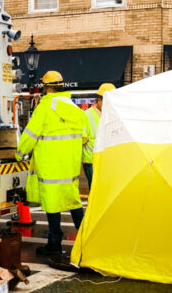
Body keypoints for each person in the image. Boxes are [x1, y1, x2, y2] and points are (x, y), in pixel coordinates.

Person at [15, 70, 87, 256]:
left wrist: (20, 153)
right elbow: (84, 137)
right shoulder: (75, 109)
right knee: (73, 201)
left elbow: (30, 134)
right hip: (69, 167)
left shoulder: (45, 108)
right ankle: (87, 239)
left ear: (47, 88)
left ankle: (55, 242)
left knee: (52, 204)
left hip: (50, 166)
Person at [82, 83, 116, 190]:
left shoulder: (111, 115)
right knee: (95, 190)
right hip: (91, 161)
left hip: (107, 160)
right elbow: (82, 139)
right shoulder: (87, 115)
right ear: (99, 100)